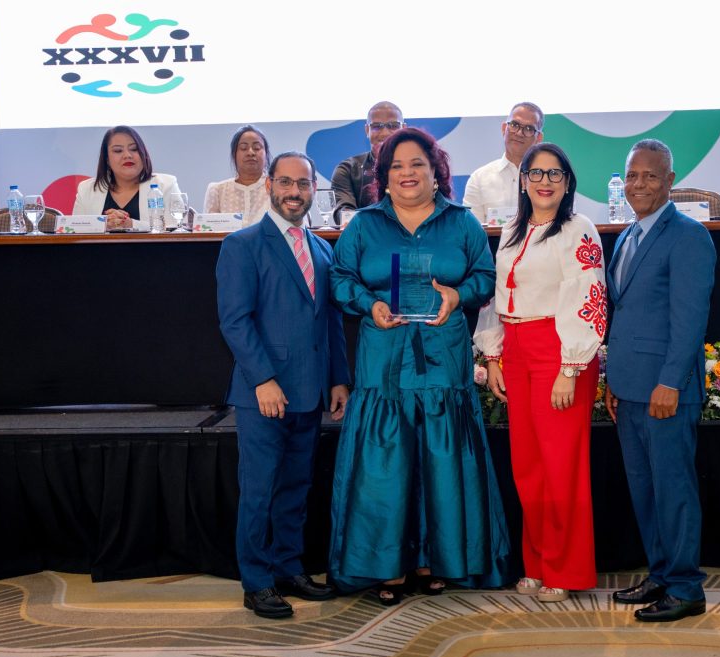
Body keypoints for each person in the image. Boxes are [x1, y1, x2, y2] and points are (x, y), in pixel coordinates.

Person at [329, 127, 510, 606]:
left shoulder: (462, 222)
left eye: (417, 164)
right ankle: (386, 567)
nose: (406, 173)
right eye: (396, 166)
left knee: (442, 463)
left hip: (442, 361)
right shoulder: (364, 225)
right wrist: (369, 305)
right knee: (385, 467)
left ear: (436, 172)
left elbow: (485, 276)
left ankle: (437, 561)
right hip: (384, 363)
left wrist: (458, 295)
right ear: (383, 177)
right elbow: (340, 278)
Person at [216, 151, 350, 619]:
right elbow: (235, 322)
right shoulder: (242, 245)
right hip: (263, 395)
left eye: (303, 184)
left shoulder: (323, 250)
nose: (295, 192)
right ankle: (256, 583)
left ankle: (289, 569)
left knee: (295, 487)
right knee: (259, 491)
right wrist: (264, 379)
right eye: (287, 183)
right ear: (270, 185)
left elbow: (330, 321)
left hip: (311, 391)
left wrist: (338, 378)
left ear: (313, 189)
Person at [474, 142, 605, 603]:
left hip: (559, 351)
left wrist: (571, 367)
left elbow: (588, 297)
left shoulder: (578, 228)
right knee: (528, 466)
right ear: (523, 180)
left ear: (568, 183)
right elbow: (495, 296)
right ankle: (537, 563)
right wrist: (493, 356)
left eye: (555, 174)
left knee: (561, 465)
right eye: (536, 173)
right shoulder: (512, 229)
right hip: (516, 349)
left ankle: (566, 569)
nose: (544, 182)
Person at [604, 139, 716, 622]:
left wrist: (671, 382)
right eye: (632, 175)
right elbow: (625, 315)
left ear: (670, 180)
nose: (639, 184)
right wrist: (614, 379)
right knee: (645, 489)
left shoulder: (689, 236)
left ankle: (687, 588)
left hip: (666, 390)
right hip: (630, 387)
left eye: (650, 176)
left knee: (673, 490)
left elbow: (690, 319)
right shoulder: (628, 235)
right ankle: (661, 574)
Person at [72, 125, 181, 230]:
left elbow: (177, 228)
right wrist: (102, 224)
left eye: (134, 149)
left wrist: (132, 225)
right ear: (107, 159)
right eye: (118, 151)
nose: (127, 155)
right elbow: (74, 230)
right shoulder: (86, 189)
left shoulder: (166, 185)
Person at [462, 102, 545, 224]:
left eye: (528, 129)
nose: (519, 133)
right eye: (514, 125)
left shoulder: (549, 179)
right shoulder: (479, 179)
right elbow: (471, 230)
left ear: (538, 138)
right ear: (504, 128)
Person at [330, 101, 405, 223]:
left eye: (393, 125)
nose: (385, 133)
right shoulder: (347, 169)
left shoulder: (419, 168)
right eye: (377, 126)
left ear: (404, 129)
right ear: (367, 130)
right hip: (364, 234)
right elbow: (344, 214)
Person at [203, 124, 272, 224]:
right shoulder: (217, 191)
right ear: (234, 155)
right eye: (243, 148)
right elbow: (208, 229)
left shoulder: (277, 189)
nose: (250, 153)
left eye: (257, 148)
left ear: (266, 154)